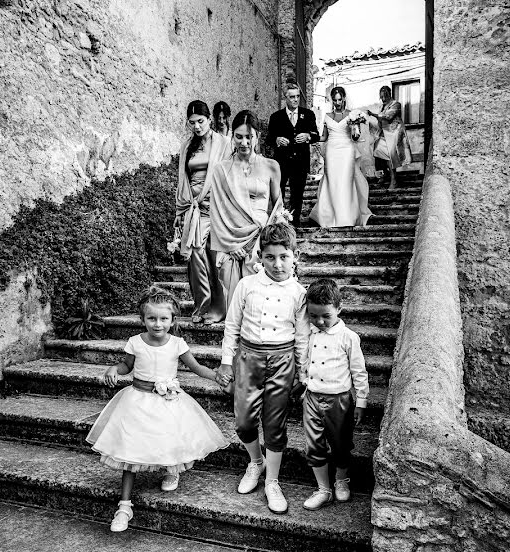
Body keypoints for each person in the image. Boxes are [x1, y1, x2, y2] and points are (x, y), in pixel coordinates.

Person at [86, 286, 229, 532]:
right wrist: (113, 369)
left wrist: (216, 376)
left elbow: (196, 367)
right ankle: (124, 505)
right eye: (151, 318)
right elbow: (126, 366)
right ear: (142, 319)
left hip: (169, 401)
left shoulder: (177, 344)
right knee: (129, 451)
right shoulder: (135, 342)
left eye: (164, 318)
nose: (158, 324)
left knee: (169, 438)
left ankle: (171, 472)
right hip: (137, 401)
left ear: (173, 320)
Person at [214, 222, 310, 514]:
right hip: (248, 358)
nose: (277, 263)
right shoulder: (247, 285)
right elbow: (231, 326)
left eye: (283, 256)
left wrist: (302, 372)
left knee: (274, 425)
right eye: (270, 257)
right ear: (260, 257)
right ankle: (256, 462)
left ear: (295, 255)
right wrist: (226, 362)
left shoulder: (299, 293)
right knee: (243, 421)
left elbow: (303, 337)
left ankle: (273, 480)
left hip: (282, 361)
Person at [296, 278, 369, 510]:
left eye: (325, 316)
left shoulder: (348, 337)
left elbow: (359, 371)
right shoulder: (311, 334)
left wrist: (362, 401)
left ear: (339, 309)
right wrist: (305, 382)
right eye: (314, 316)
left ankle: (341, 480)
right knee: (313, 445)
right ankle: (323, 489)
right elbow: (306, 361)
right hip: (312, 398)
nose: (319, 321)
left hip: (339, 400)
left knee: (340, 443)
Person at [209, 109, 285, 309]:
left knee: (261, 300)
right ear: (232, 137)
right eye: (239, 137)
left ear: (258, 136)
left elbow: (278, 208)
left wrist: (272, 239)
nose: (244, 142)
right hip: (231, 240)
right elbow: (216, 211)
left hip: (261, 238)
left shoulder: (271, 166)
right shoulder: (221, 170)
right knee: (236, 302)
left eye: (249, 137)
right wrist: (231, 246)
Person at [174, 100, 227, 324]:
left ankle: (219, 308)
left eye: (200, 121)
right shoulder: (188, 146)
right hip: (193, 205)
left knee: (214, 256)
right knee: (195, 255)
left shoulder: (223, 143)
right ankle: (201, 305)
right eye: (192, 123)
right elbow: (182, 178)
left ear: (209, 120)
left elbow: (228, 174)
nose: (196, 127)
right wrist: (180, 209)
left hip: (215, 204)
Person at [308, 87, 372, 228]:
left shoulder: (351, 115)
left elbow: (355, 137)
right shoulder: (327, 116)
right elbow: (324, 136)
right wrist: (310, 137)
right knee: (332, 182)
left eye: (339, 99)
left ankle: (346, 217)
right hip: (331, 151)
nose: (337, 102)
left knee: (345, 182)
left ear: (343, 98)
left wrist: (355, 125)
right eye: (335, 99)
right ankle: (329, 217)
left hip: (347, 150)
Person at [266, 83, 320, 228]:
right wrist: (277, 140)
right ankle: (280, 222)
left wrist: (308, 136)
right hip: (281, 162)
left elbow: (316, 135)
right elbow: (268, 139)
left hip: (300, 162)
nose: (295, 100)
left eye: (297, 96)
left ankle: (295, 222)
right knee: (279, 192)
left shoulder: (308, 114)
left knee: (298, 194)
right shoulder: (276, 117)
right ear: (285, 98)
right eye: (292, 97)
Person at [367, 85, 412, 190]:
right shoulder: (382, 106)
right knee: (378, 151)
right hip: (385, 133)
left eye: (384, 96)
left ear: (389, 95)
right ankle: (384, 176)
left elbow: (388, 116)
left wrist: (373, 115)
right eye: (381, 97)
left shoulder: (396, 104)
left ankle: (393, 180)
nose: (383, 99)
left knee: (390, 155)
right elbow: (380, 121)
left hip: (394, 133)